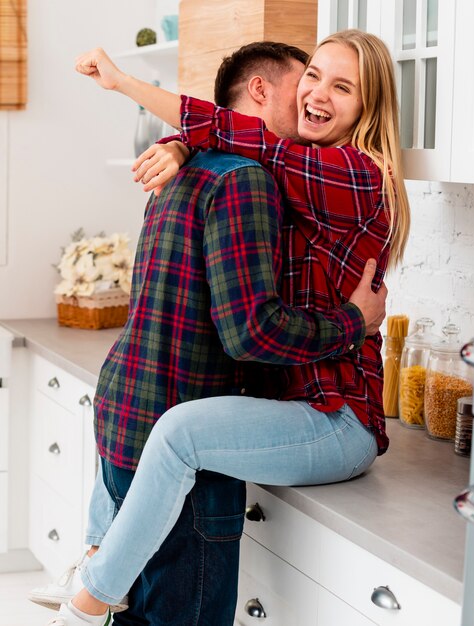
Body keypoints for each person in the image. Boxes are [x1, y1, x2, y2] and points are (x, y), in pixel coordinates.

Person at [42, 40, 388, 626]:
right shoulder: (262, 175)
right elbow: (238, 138)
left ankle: (91, 590)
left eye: (341, 87)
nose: (316, 93)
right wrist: (180, 141)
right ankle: (96, 577)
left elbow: (245, 137)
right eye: (311, 77)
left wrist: (137, 95)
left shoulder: (349, 173)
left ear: (367, 107)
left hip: (337, 410)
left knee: (179, 433)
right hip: (285, 406)